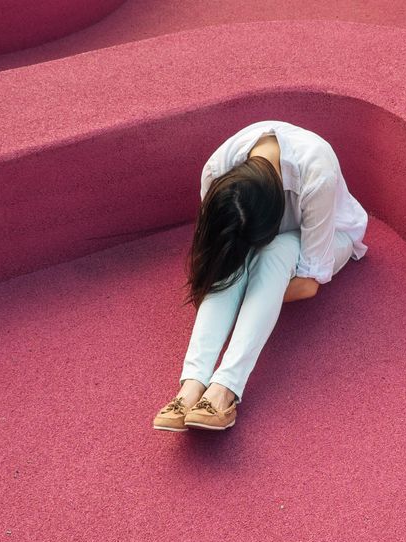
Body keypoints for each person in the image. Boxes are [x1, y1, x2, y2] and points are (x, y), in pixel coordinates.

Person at [153, 120, 369, 432]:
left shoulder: (316, 171)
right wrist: (232, 276)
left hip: (332, 238)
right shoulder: (218, 172)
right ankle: (191, 386)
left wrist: (248, 292)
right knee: (229, 266)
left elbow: (308, 285)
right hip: (271, 242)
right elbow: (217, 253)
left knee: (276, 250)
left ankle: (225, 388)